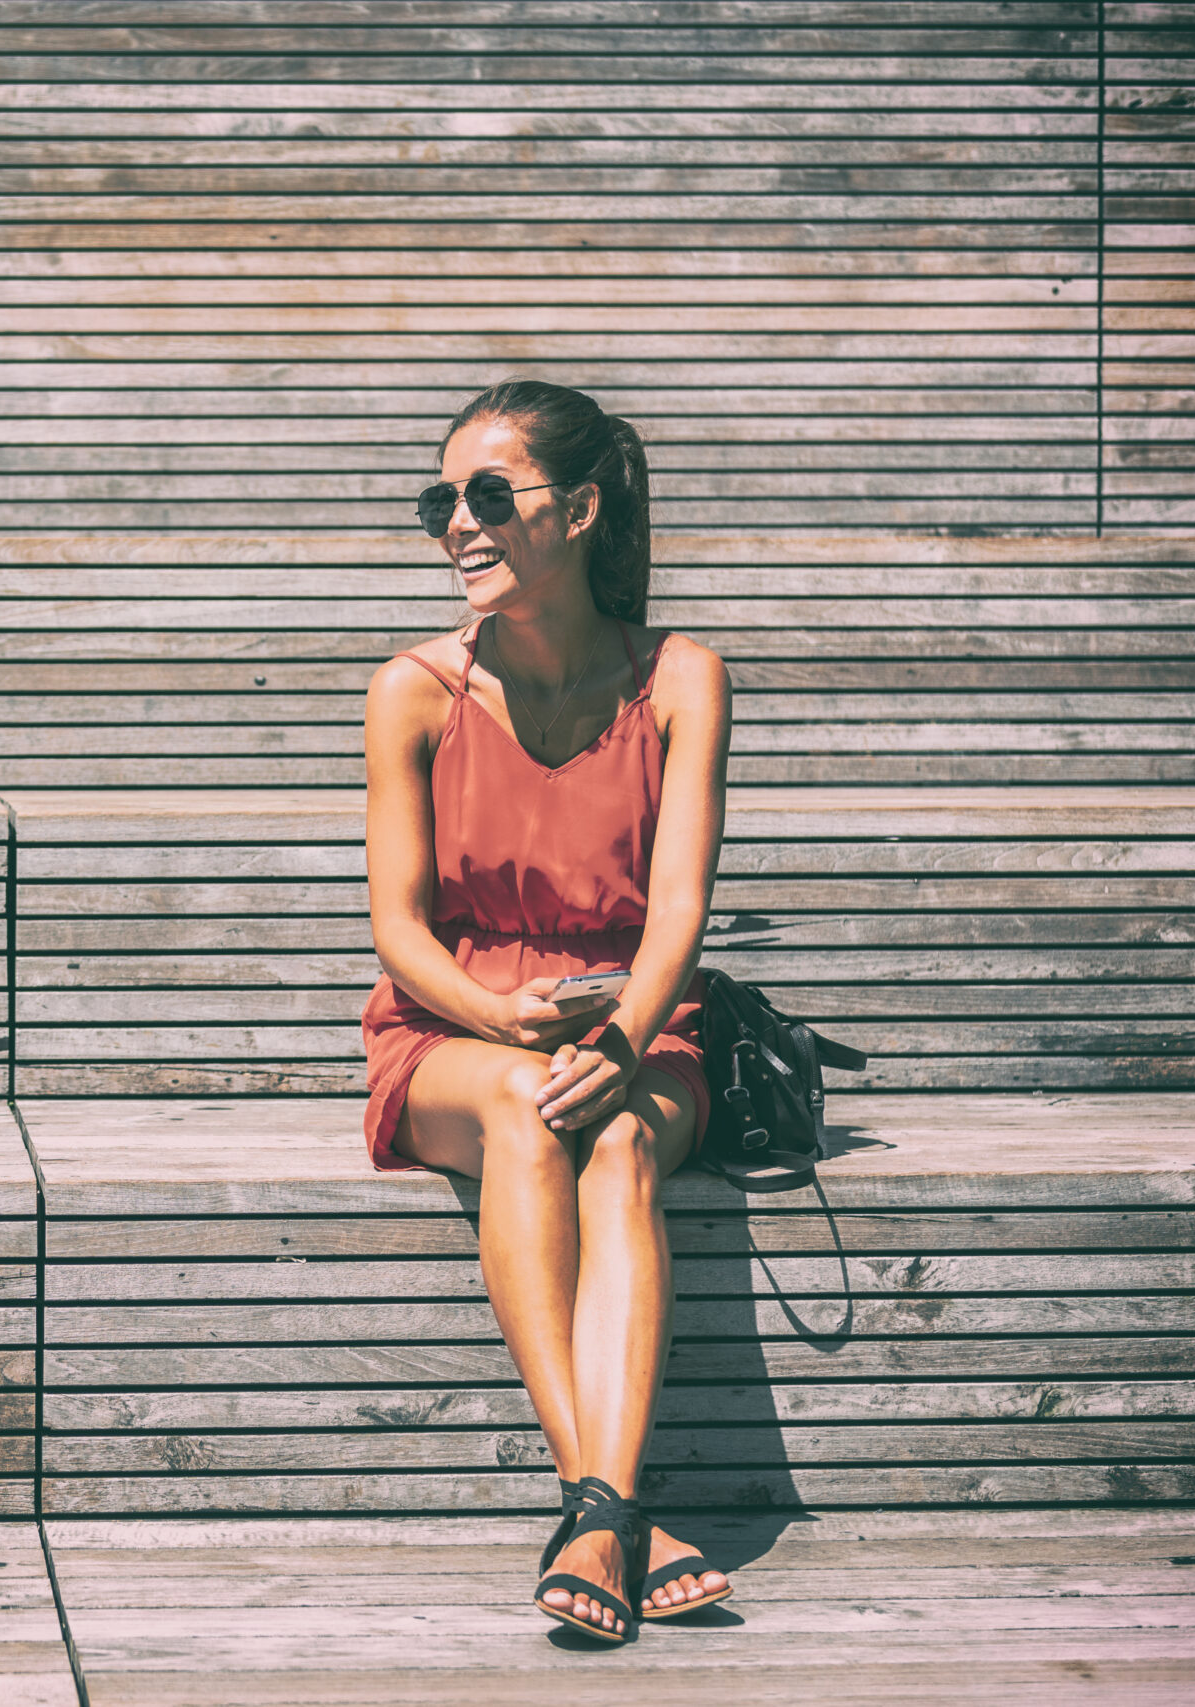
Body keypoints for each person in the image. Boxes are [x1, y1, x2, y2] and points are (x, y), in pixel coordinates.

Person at [360, 380, 737, 1642]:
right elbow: (400, 929)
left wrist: (624, 1035)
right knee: (532, 1112)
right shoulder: (411, 691)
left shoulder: (681, 679)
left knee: (620, 1137)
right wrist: (502, 1017)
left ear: (576, 510)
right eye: (439, 503)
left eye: (485, 496)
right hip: (455, 1026)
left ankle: (594, 1512)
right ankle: (616, 1506)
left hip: (640, 1020)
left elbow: (680, 905)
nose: (457, 526)